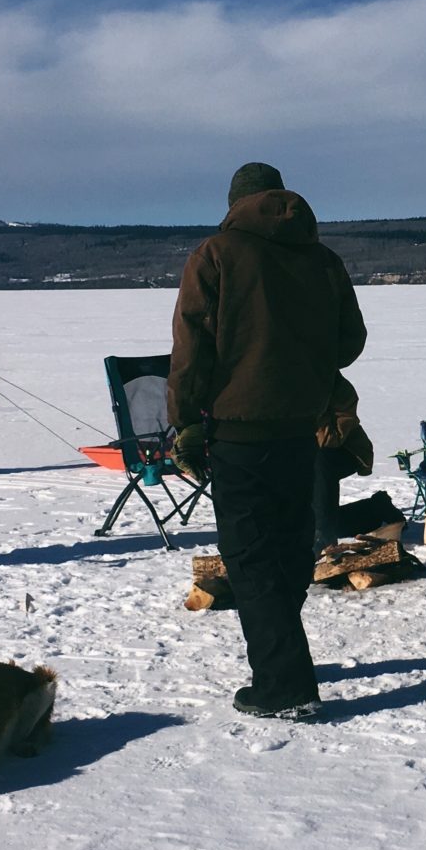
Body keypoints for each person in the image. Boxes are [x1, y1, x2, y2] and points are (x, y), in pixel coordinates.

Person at [169, 162, 367, 718]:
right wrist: (304, 367)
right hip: (303, 428)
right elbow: (350, 339)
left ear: (235, 203)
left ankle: (284, 685)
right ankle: (286, 660)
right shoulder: (322, 259)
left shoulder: (216, 253)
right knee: (287, 545)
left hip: (238, 431)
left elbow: (191, 348)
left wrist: (185, 420)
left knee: (252, 556)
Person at [312, 373, 402, 553]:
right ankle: (374, 510)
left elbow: (333, 437)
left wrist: (305, 420)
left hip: (346, 450)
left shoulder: (332, 383)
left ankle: (323, 539)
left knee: (318, 463)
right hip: (301, 452)